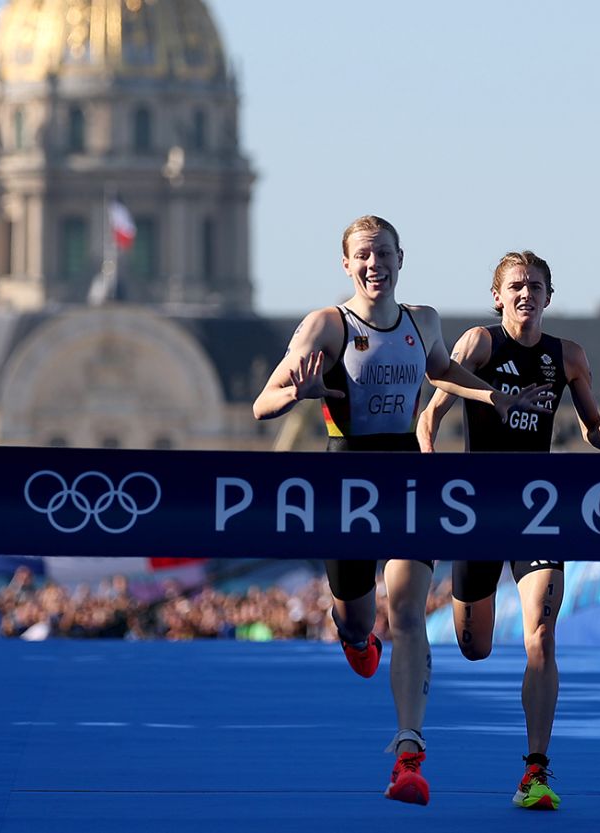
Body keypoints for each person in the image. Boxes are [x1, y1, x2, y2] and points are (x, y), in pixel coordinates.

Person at [252, 216, 553, 806]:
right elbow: (263, 404)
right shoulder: (326, 325)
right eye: (363, 255)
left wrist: (494, 393)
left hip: (409, 484)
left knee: (410, 614)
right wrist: (299, 394)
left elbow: (442, 369)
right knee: (360, 619)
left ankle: (409, 755)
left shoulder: (423, 321)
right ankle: (354, 637)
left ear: (400, 258)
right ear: (347, 264)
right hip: (350, 484)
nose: (374, 265)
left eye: (384, 253)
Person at [416, 250, 600, 810]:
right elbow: (428, 416)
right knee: (476, 647)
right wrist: (433, 465)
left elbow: (589, 427)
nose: (525, 294)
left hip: (538, 511)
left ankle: (536, 770)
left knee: (541, 632)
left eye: (535, 286)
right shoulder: (478, 346)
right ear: (497, 296)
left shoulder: (569, 357)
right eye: (515, 286)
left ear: (549, 297)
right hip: (480, 512)